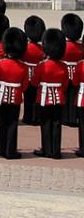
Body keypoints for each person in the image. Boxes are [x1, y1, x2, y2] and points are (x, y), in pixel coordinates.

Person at [0, 27, 29, 160]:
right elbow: (24, 86)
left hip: (1, 96)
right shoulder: (23, 67)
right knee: (13, 124)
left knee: (2, 123)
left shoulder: (0, 64)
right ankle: (11, 150)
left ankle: (1, 148)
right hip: (16, 97)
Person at [32, 28, 69, 159]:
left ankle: (46, 149)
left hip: (44, 97)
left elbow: (35, 82)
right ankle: (56, 150)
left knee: (46, 123)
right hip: (59, 97)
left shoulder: (42, 66)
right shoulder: (64, 66)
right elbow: (65, 85)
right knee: (57, 124)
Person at [60, 13, 83, 127]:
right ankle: (73, 117)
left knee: (65, 95)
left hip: (64, 72)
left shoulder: (64, 46)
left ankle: (64, 117)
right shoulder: (80, 48)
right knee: (74, 95)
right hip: (77, 73)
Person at [22, 16, 46, 125]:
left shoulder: (25, 48)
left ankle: (27, 117)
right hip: (39, 75)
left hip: (27, 74)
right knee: (37, 97)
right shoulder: (43, 49)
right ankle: (37, 117)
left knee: (28, 98)